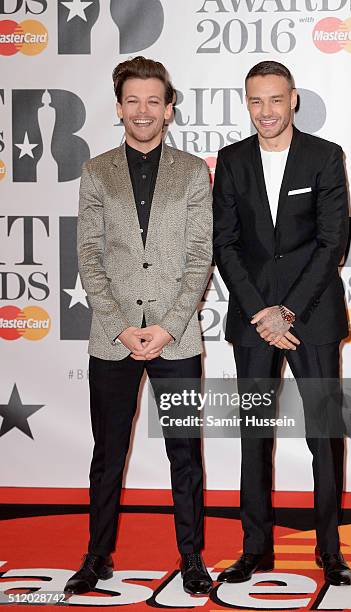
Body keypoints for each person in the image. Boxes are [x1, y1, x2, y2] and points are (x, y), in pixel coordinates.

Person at [64, 57, 213, 596]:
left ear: (169, 109)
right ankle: (97, 555)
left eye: (154, 100)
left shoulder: (194, 172)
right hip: (113, 338)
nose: (143, 111)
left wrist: (169, 327)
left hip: (177, 340)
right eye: (133, 101)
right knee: (106, 455)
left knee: (185, 452)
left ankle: (192, 558)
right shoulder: (96, 172)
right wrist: (123, 326)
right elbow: (89, 256)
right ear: (119, 107)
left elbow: (200, 256)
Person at [213, 60, 351, 586]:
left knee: (324, 435)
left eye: (275, 99)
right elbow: (223, 243)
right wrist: (259, 311)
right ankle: (255, 548)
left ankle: (331, 549)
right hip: (252, 321)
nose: (266, 111)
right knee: (254, 435)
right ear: (246, 103)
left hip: (311, 319)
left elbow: (330, 241)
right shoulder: (230, 161)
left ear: (293, 99)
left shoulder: (324, 156)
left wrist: (287, 311)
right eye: (255, 101)